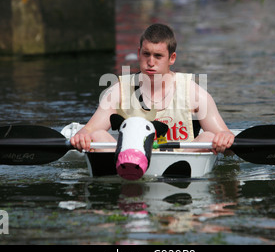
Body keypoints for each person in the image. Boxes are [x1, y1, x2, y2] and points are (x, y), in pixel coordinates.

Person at [70, 23, 235, 154]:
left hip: (180, 162)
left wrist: (224, 140)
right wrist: (83, 136)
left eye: (158, 56)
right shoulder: (118, 90)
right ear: (138, 53)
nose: (150, 62)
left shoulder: (195, 93)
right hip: (129, 161)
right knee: (97, 136)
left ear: (172, 58)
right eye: (146, 54)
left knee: (208, 136)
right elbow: (89, 130)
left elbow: (226, 138)